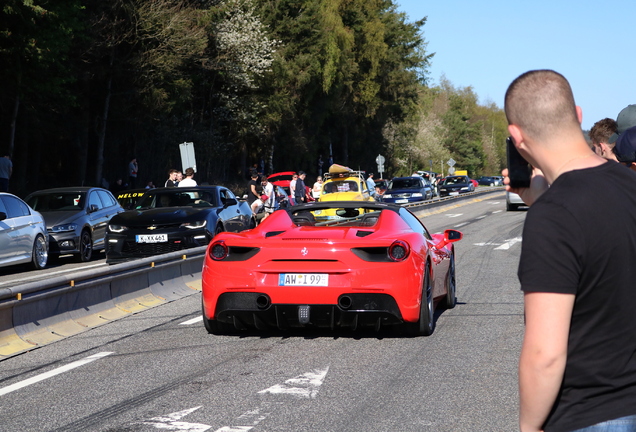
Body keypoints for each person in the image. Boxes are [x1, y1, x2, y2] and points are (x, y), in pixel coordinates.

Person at [503, 70, 636, 432]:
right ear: (577, 114)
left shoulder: (554, 216)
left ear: (516, 137)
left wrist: (528, 427)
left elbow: (545, 355)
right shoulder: (629, 184)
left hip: (593, 415)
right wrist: (539, 199)